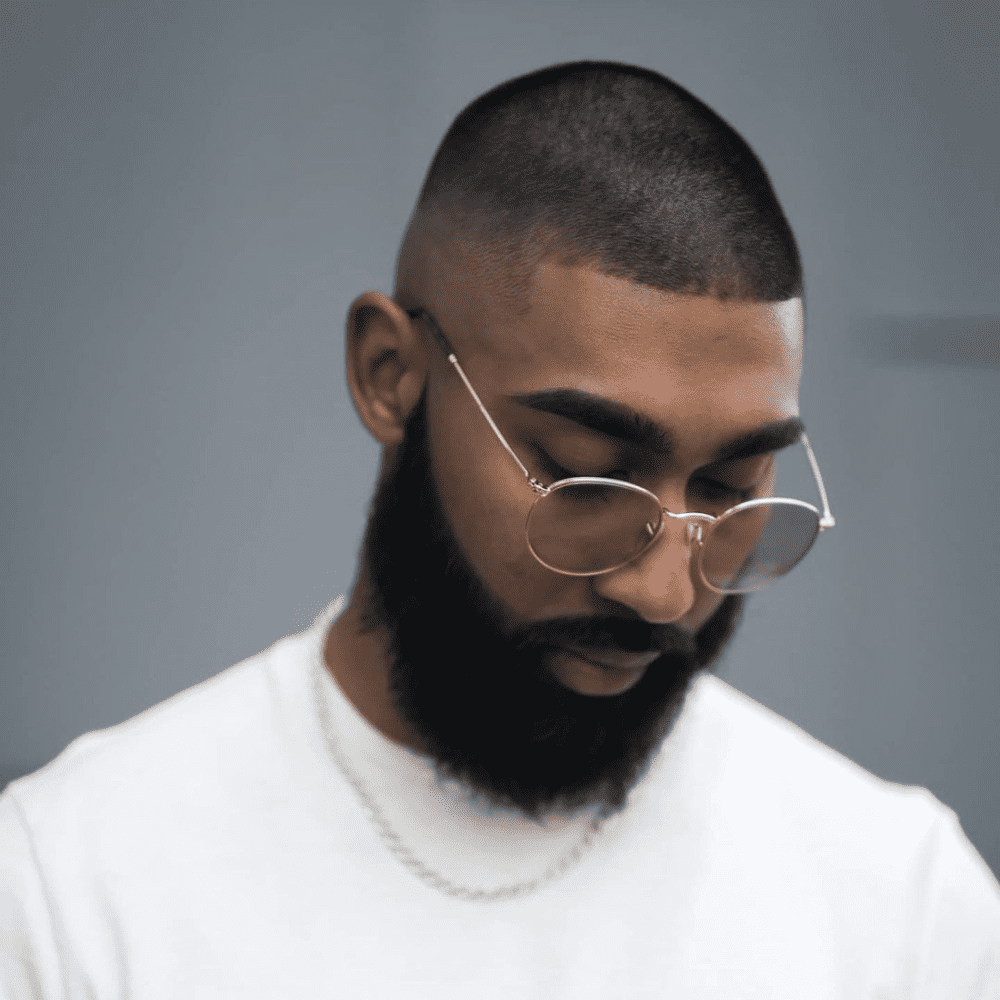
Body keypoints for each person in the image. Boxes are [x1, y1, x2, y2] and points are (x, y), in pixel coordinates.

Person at [2, 60, 998, 998]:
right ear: (391, 375)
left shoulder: (901, 912)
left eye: (733, 483)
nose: (661, 591)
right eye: (583, 473)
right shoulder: (66, 892)